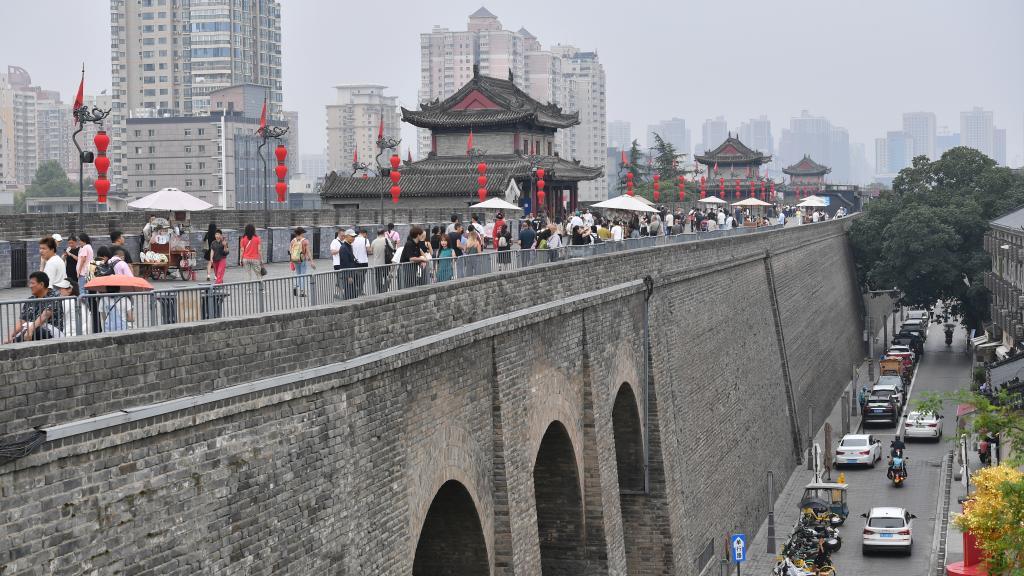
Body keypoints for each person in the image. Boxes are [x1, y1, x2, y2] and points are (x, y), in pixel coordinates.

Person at [4, 271, 64, 343]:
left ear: (41, 284)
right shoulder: (30, 300)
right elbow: (22, 320)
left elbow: (45, 315)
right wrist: (10, 335)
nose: (30, 286)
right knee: (17, 337)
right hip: (32, 330)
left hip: (51, 331)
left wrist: (31, 329)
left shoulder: (54, 296)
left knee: (37, 331)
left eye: (32, 283)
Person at [289, 227, 314, 297]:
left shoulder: (293, 240)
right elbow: (308, 251)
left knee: (298, 274)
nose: (304, 234)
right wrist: (311, 261)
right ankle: (302, 292)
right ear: (301, 233)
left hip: (295, 259)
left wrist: (292, 260)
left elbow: (290, 251)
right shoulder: (305, 241)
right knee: (302, 275)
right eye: (303, 233)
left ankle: (295, 286)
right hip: (302, 260)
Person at [337, 229, 360, 299]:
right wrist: (349, 276)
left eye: (354, 237)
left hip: (351, 273)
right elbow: (345, 263)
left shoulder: (348, 246)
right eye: (351, 236)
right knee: (349, 293)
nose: (353, 238)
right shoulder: (344, 247)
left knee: (353, 293)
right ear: (346, 236)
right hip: (348, 275)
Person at [370, 228, 392, 293]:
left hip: (377, 264)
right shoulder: (386, 240)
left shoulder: (374, 241)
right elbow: (392, 248)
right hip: (385, 263)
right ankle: (385, 290)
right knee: (386, 277)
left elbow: (371, 251)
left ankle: (379, 291)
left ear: (377, 233)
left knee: (378, 279)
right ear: (384, 233)